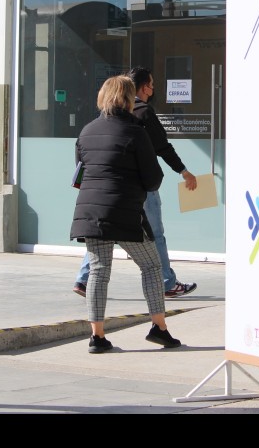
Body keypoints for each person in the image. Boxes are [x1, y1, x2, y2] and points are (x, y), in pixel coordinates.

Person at [70, 75, 181, 353]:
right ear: (129, 98)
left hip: (90, 212)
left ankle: (97, 336)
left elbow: (81, 172)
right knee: (152, 266)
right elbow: (153, 178)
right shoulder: (135, 132)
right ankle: (159, 328)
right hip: (126, 211)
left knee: (98, 270)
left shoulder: (86, 131)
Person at [73, 66, 198, 299]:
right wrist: (182, 171)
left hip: (97, 195)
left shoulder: (93, 125)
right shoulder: (141, 118)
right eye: (151, 84)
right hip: (134, 187)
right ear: (140, 89)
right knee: (154, 236)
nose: (153, 89)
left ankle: (83, 279)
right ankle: (166, 282)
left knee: (101, 234)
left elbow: (81, 164)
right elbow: (161, 150)